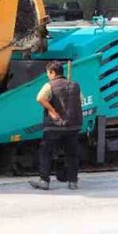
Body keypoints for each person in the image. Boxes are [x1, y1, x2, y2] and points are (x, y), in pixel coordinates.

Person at [30, 61, 85, 190]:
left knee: (46, 152)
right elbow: (81, 101)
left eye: (48, 73)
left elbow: (40, 98)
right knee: (72, 154)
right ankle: (73, 182)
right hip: (73, 126)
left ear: (53, 72)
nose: (47, 75)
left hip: (54, 126)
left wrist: (53, 111)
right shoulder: (75, 85)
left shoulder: (49, 85)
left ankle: (44, 181)